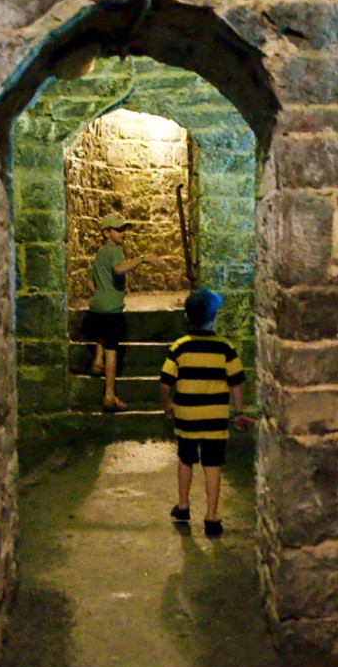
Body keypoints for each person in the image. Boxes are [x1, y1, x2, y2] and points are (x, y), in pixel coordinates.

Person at [159, 287, 255, 537]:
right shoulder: (226, 348)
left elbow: (165, 381)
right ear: (215, 318)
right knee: (213, 465)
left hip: (187, 418)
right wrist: (239, 413)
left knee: (185, 460)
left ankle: (183, 506)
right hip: (215, 420)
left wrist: (167, 404)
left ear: (187, 318)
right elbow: (236, 383)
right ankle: (211, 517)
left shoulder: (179, 347)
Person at [86, 212, 163, 412]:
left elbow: (89, 280)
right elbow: (119, 269)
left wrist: (100, 295)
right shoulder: (115, 250)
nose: (123, 233)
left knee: (102, 333)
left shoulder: (100, 253)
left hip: (97, 306)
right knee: (113, 352)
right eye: (118, 230)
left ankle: (96, 361)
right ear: (106, 232)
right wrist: (142, 259)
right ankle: (109, 395)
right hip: (111, 308)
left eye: (124, 229)